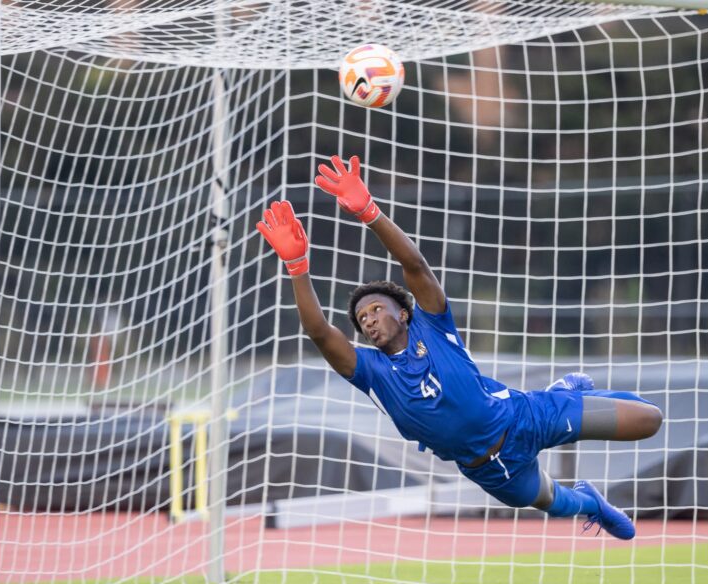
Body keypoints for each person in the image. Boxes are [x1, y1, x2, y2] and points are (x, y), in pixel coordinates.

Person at [255, 155, 664, 540]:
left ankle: (561, 398)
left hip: (526, 417)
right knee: (553, 503)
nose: (369, 320)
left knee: (650, 420)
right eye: (363, 320)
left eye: (376, 309)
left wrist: (369, 212)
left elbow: (414, 265)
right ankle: (591, 501)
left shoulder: (433, 324)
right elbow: (320, 332)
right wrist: (297, 266)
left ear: (404, 312)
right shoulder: (370, 372)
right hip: (490, 470)